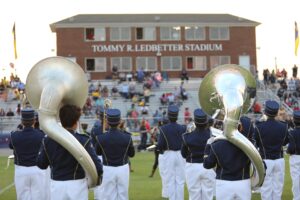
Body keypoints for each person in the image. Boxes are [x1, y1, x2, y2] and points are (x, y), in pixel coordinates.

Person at [37, 104, 103, 200]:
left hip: (57, 185)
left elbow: (41, 164)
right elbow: (98, 167)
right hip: (77, 185)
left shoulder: (48, 140)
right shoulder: (84, 140)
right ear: (76, 122)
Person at [94, 108, 135, 200]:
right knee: (123, 195)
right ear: (120, 121)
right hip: (123, 168)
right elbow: (132, 154)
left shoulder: (100, 138)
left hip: (108, 169)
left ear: (107, 121)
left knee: (108, 195)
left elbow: (98, 152)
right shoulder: (127, 137)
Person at [9, 108, 47, 200]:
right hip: (38, 170)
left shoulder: (14, 135)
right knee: (39, 197)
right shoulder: (41, 135)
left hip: (20, 170)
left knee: (22, 197)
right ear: (34, 120)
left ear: (22, 121)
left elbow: (11, 146)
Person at [254, 100, 289, 200]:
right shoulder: (284, 126)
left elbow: (256, 142)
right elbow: (285, 142)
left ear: (265, 112)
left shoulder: (259, 126)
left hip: (265, 161)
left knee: (265, 189)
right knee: (278, 189)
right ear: (276, 112)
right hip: (279, 160)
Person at [203, 127, 251, 199]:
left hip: (223, 183)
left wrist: (208, 146)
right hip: (243, 182)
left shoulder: (216, 145)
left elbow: (207, 164)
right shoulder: (249, 144)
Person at [181, 109, 216, 200]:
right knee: (208, 195)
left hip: (192, 167)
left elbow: (183, 154)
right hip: (209, 167)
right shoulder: (213, 136)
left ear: (195, 122)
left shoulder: (187, 136)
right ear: (206, 122)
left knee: (194, 196)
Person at [157, 105, 187, 200]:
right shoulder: (183, 128)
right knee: (180, 180)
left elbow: (160, 144)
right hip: (181, 154)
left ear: (169, 116)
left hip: (168, 154)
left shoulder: (163, 129)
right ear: (177, 116)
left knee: (170, 180)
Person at [287, 110, 300, 200]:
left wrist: (288, 151)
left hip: (295, 157)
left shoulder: (292, 132)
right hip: (295, 156)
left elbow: (291, 148)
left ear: (294, 120)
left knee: (296, 180)